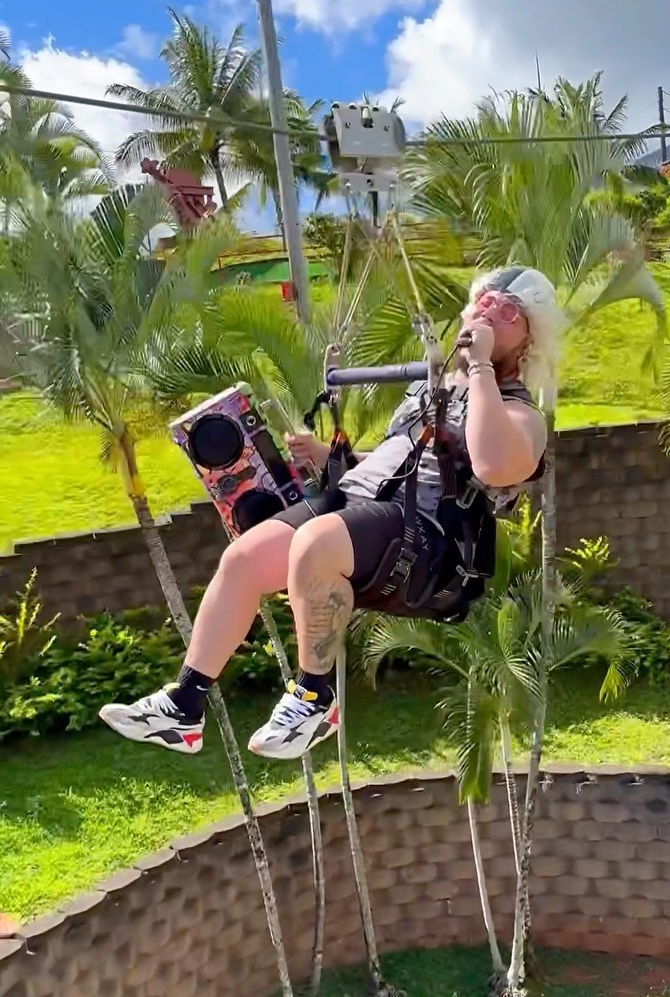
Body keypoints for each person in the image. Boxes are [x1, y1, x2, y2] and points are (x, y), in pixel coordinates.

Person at [99, 265, 557, 761]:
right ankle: (184, 706)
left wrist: (482, 366)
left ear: (529, 341)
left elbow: (493, 464)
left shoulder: (522, 414)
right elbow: (401, 463)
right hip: (365, 507)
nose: (490, 310)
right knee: (244, 559)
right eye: (484, 300)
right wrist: (329, 456)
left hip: (428, 542)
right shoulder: (429, 390)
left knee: (315, 543)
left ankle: (314, 698)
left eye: (508, 311)